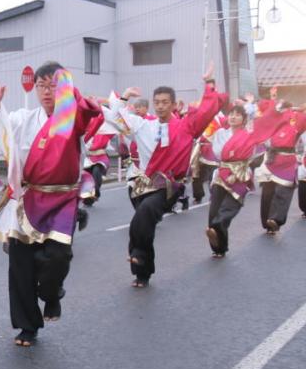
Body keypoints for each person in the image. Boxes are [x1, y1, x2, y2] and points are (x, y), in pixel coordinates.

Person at [0, 62, 100, 346]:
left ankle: (51, 294)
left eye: (54, 86)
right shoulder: (25, 118)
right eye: (42, 86)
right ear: (35, 88)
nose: (47, 92)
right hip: (29, 198)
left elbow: (89, 114)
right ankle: (27, 326)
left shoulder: (72, 118)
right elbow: (2, 134)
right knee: (20, 263)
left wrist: (69, 92)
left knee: (57, 257)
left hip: (62, 197)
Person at [102, 65, 225, 288]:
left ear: (172, 104)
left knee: (146, 213)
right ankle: (141, 270)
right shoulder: (143, 125)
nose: (160, 106)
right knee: (141, 223)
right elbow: (115, 118)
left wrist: (210, 83)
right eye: (157, 102)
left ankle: (139, 257)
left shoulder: (186, 126)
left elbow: (209, 109)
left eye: (165, 102)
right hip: (143, 184)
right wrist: (123, 97)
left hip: (169, 186)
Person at [204, 103, 285, 257]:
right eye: (231, 114)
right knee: (214, 211)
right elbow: (215, 149)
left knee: (228, 208)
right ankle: (219, 247)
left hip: (240, 175)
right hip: (221, 173)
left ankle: (218, 234)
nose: (233, 117)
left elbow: (266, 123)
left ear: (244, 118)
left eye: (237, 114)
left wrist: (277, 108)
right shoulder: (221, 133)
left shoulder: (249, 135)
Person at [256, 96, 306, 235]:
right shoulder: (272, 115)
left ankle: (276, 220)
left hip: (288, 159)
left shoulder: (297, 117)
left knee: (284, 191)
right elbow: (262, 111)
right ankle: (267, 221)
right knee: (267, 192)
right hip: (271, 158)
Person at [80, 113, 113, 206]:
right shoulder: (83, 134)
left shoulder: (105, 132)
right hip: (87, 159)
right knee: (86, 178)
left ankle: (96, 193)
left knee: (96, 172)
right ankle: (88, 199)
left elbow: (114, 125)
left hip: (100, 158)